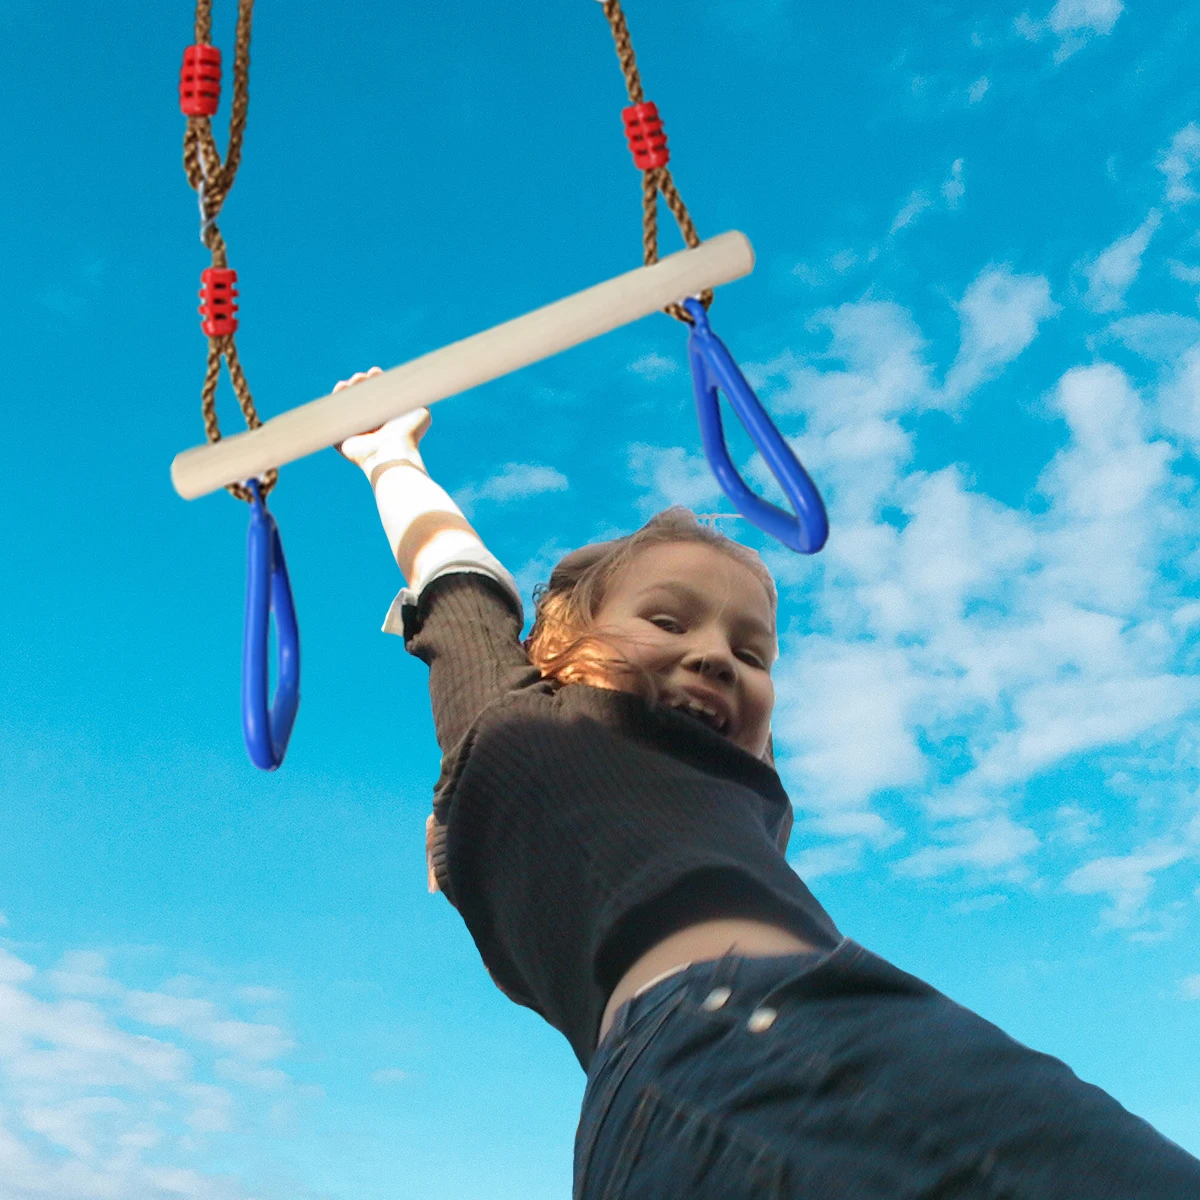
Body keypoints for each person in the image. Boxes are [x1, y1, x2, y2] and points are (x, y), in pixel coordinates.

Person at [335, 368, 1200, 1199]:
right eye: (667, 620)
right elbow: (458, 579)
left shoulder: (744, 799)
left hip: (703, 1078)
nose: (715, 654)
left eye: (752, 653)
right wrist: (390, 455)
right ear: (556, 646)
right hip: (733, 1033)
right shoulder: (527, 729)